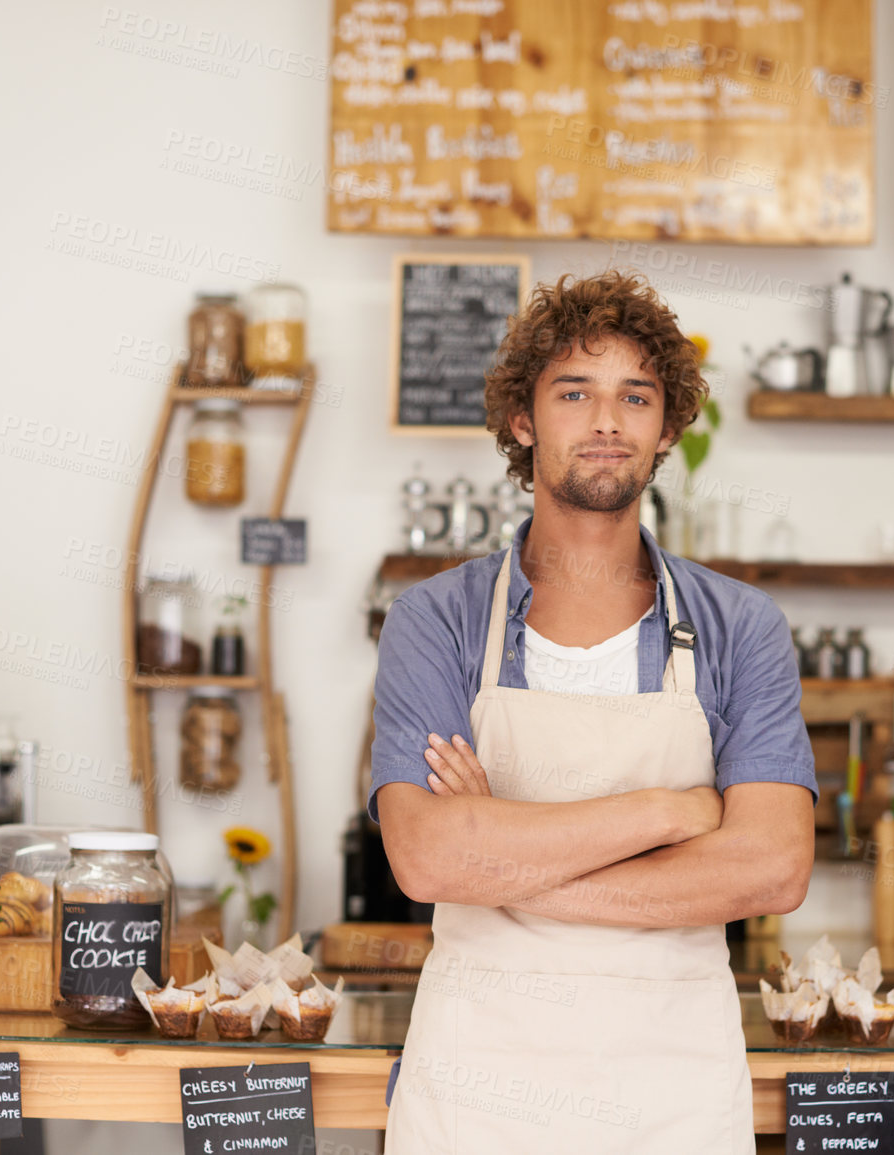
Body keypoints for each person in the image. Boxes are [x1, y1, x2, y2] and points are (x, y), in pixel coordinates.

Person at [371, 269, 817, 1153]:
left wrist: (501, 852)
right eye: (575, 392)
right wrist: (667, 814)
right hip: (477, 1085)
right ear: (523, 420)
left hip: (673, 1088)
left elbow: (770, 871)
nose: (607, 421)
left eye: (635, 397)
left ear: (664, 430)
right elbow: (425, 857)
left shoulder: (739, 626)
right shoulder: (438, 620)